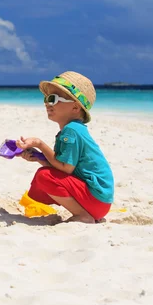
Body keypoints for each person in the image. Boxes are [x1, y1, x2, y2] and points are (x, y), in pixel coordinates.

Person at [15, 71, 114, 223]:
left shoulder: (71, 131)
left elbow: (65, 168)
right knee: (47, 173)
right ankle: (84, 213)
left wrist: (39, 144)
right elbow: (64, 168)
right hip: (99, 201)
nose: (47, 103)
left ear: (75, 107)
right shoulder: (74, 129)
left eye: (53, 99)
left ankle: (83, 215)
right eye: (46, 99)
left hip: (96, 200)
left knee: (44, 175)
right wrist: (38, 156)